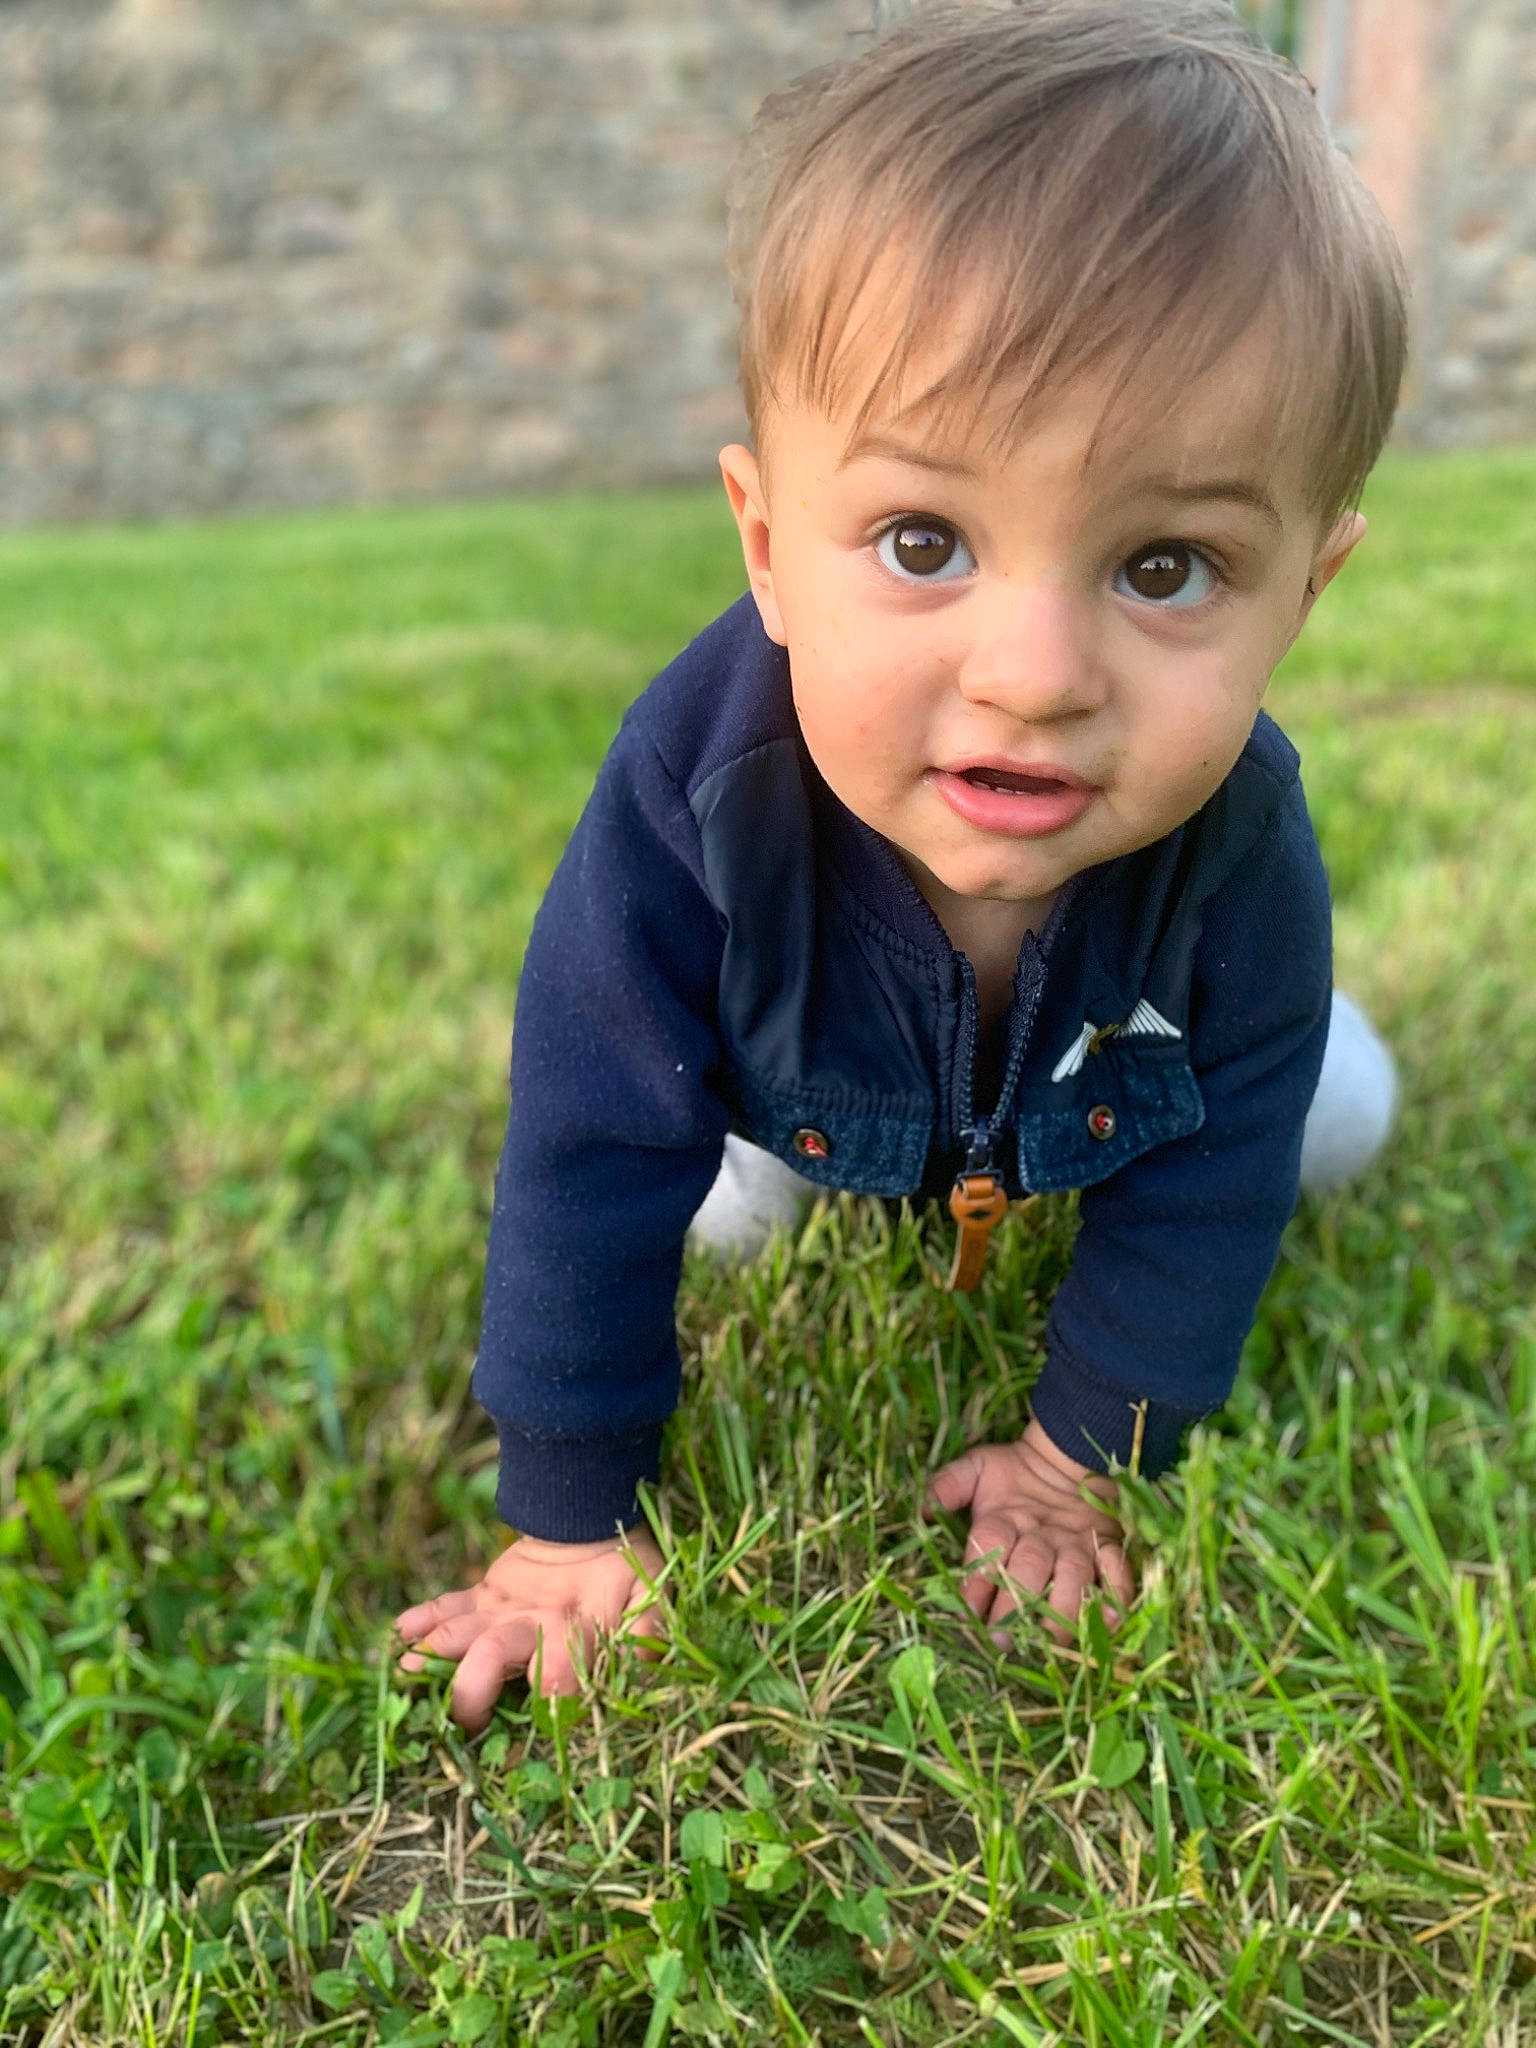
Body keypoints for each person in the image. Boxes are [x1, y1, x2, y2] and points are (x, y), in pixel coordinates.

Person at [394, 0, 1407, 1733]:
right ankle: (810, 1164)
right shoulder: (690, 797)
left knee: (1325, 1111)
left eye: (1166, 567)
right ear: (770, 547)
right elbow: (583, 1140)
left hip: (1110, 1089)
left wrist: (1084, 1456)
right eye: (924, 541)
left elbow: (1216, 1185)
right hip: (783, 1086)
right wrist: (563, 1526)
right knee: (702, 1196)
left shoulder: (1241, 845)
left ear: (1302, 596)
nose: (1035, 672)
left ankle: (1261, 1052)